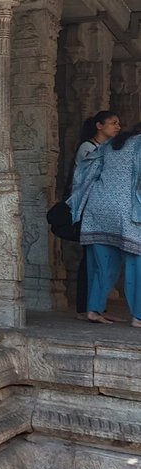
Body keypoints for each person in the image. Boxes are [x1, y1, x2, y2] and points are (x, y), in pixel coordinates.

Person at [68, 121, 141, 327]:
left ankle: (94, 309)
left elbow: (86, 169)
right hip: (126, 209)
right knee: (136, 261)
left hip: (97, 206)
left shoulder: (111, 144)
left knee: (102, 263)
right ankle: (139, 315)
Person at [72, 109, 121, 318]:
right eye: (113, 123)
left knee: (98, 259)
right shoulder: (88, 147)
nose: (118, 126)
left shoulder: (109, 148)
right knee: (91, 260)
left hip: (101, 208)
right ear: (99, 126)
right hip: (89, 207)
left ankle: (95, 306)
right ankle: (86, 307)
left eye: (118, 123)